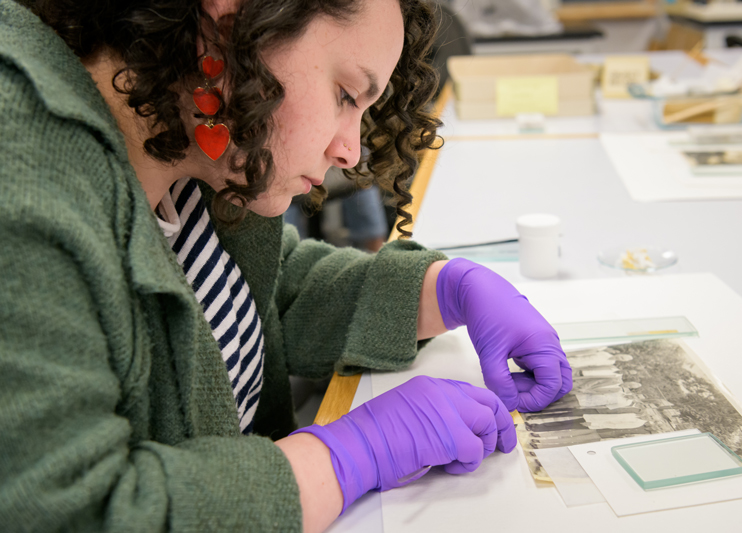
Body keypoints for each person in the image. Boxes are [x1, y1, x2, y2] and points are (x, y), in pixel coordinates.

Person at [0, 0, 572, 531]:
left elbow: (259, 295)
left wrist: (439, 291)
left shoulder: (192, 144)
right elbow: (72, 511)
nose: (351, 149)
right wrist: (341, 460)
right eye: (347, 95)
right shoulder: (22, 173)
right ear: (228, 24)